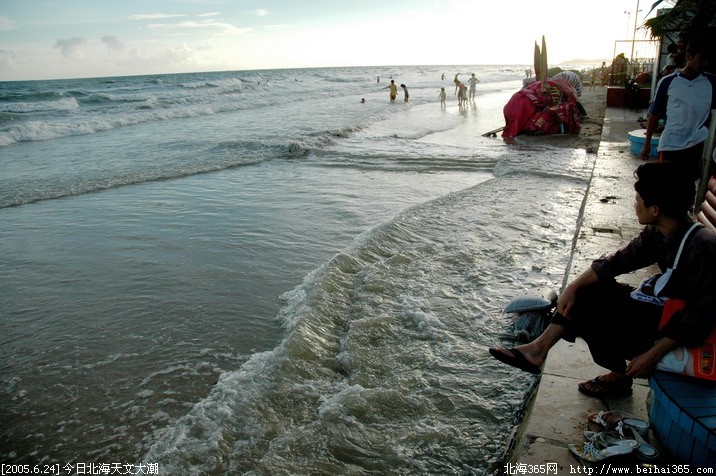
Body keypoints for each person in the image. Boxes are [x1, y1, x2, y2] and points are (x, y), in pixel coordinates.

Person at [489, 161, 716, 397]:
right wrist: (572, 287)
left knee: (591, 308)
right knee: (587, 292)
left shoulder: (702, 248)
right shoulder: (660, 232)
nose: (634, 204)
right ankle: (538, 350)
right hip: (666, 315)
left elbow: (698, 319)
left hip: (685, 335)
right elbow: (617, 262)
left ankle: (618, 376)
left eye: (638, 200)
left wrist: (652, 355)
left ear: (655, 209)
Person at [640, 37, 716, 180]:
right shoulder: (669, 81)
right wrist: (647, 143)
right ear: (689, 56)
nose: (704, 63)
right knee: (666, 188)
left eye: (707, 59)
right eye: (700, 58)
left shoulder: (711, 83)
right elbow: (655, 114)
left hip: (697, 146)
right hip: (670, 145)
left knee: (687, 190)